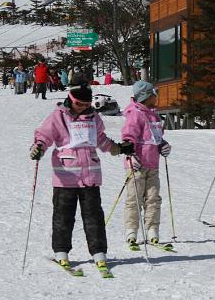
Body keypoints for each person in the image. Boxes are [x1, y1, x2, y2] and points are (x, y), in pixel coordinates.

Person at [29, 84, 134, 273]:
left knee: (94, 217)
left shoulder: (94, 117)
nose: (83, 107)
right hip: (65, 176)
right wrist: (38, 148)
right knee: (63, 217)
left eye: (86, 104)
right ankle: (61, 252)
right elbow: (44, 136)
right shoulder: (58, 116)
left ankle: (99, 253)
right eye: (79, 104)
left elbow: (101, 140)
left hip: (90, 176)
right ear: (71, 99)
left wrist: (118, 148)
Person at [121, 81, 172, 249]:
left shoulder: (154, 115)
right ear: (146, 96)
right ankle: (131, 231)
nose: (156, 97)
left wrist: (163, 145)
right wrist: (130, 154)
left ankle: (152, 230)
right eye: (154, 94)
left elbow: (156, 137)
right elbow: (128, 136)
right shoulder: (135, 114)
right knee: (134, 198)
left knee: (153, 198)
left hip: (153, 164)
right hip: (136, 165)